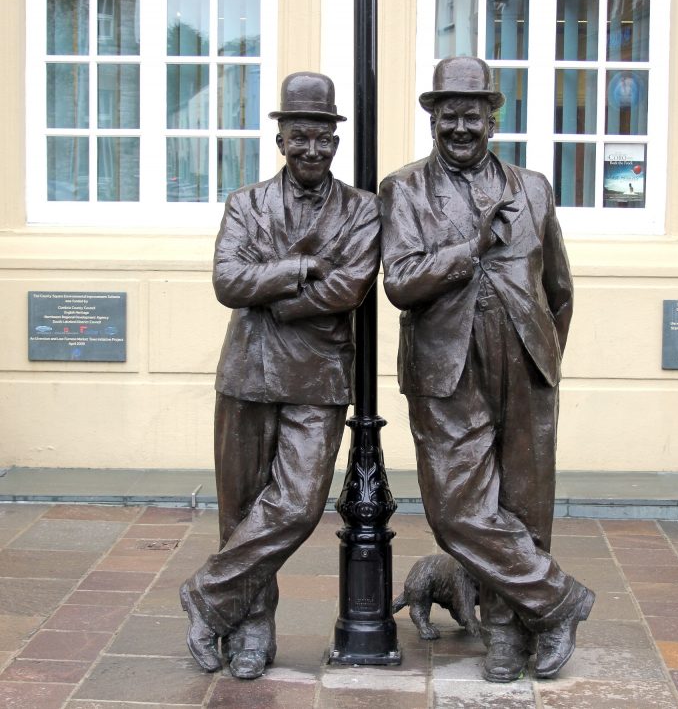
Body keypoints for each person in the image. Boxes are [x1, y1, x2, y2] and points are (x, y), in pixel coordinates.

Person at [380, 56, 594, 682]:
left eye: (471, 116)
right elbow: (401, 282)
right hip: (446, 366)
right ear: (432, 120)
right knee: (456, 510)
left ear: (493, 120)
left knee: (525, 503)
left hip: (526, 360)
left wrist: (543, 354)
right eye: (448, 116)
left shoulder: (533, 188)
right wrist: (470, 246)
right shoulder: (405, 189)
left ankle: (507, 632)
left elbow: (559, 287)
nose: (460, 127)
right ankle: (558, 600)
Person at [180, 72, 380, 680]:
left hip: (319, 377)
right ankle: (252, 626)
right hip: (247, 371)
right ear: (281, 140)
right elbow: (227, 282)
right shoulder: (246, 203)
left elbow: (350, 288)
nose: (311, 149)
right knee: (241, 511)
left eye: (322, 137)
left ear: (335, 141)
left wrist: (275, 295)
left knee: (296, 505)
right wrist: (303, 266)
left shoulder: (362, 209)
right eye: (300, 136)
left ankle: (206, 594)